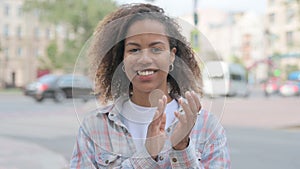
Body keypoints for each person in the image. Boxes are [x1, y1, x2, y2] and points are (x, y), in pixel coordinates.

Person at [70, 3, 230, 169]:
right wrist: (146, 155)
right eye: (134, 50)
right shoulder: (94, 126)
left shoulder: (207, 126)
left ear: (172, 56)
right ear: (122, 59)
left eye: (156, 49)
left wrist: (182, 147)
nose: (145, 59)